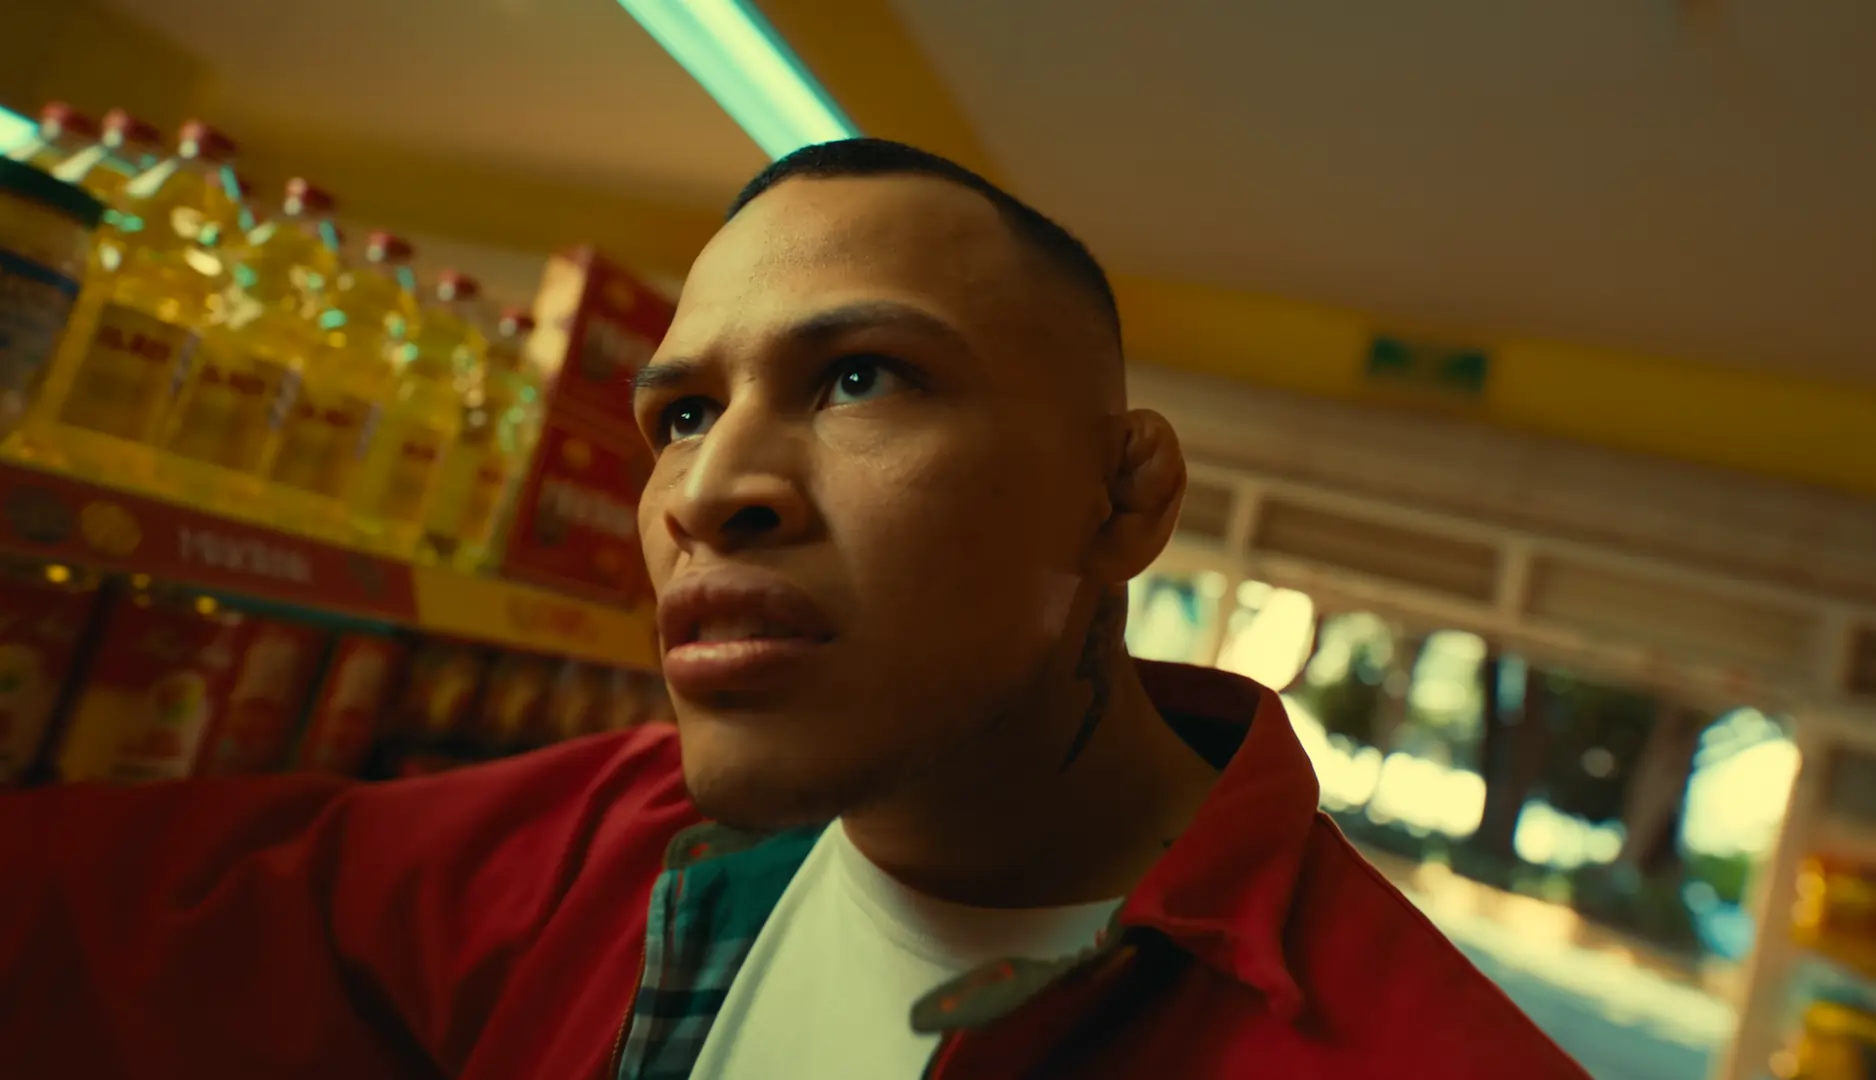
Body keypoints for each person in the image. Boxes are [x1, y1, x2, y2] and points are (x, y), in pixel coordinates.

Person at [0, 138, 1587, 1080]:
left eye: (860, 378)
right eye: (681, 415)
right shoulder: (614, 851)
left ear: (1124, 499)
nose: (711, 491)